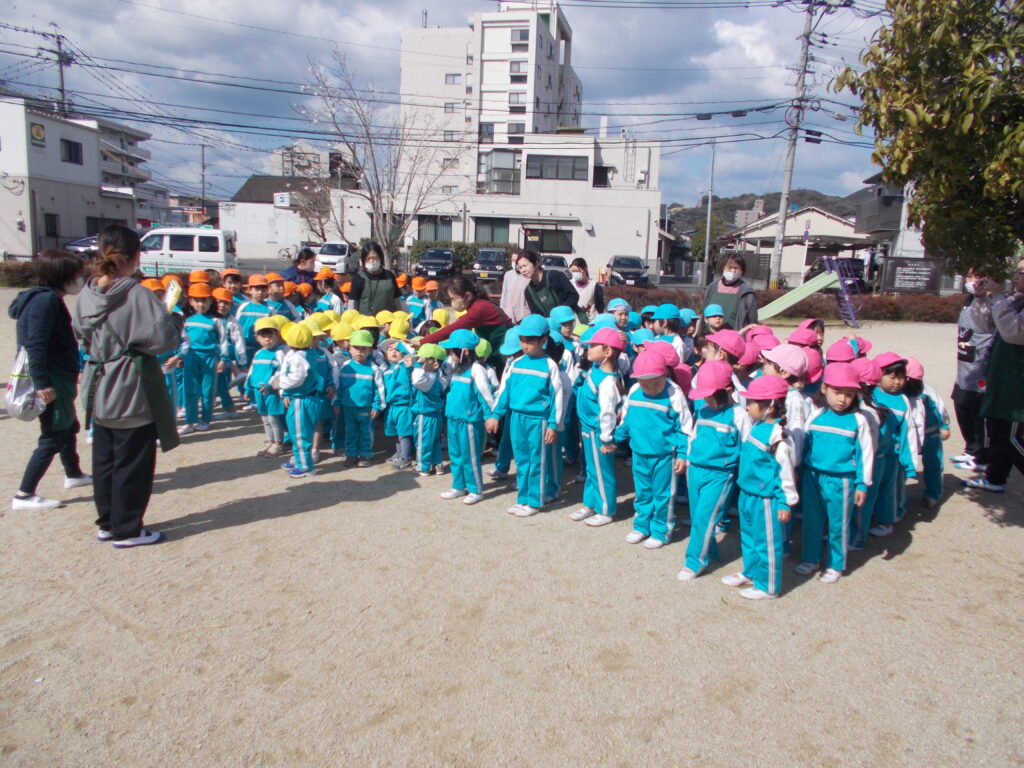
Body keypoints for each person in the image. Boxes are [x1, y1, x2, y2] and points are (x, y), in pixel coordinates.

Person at [74, 224, 182, 547]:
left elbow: (81, 335)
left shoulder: (88, 291)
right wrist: (173, 318)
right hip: (130, 383)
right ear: (136, 256)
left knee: (104, 460)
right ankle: (128, 529)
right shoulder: (137, 294)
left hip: (98, 381)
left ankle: (108, 523)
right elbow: (162, 340)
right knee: (133, 462)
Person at [9, 249, 91, 511]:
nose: (80, 279)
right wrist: (42, 383)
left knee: (68, 426)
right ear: (62, 275)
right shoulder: (45, 301)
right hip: (52, 378)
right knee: (54, 433)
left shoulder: (44, 298)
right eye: (77, 274)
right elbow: (36, 344)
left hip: (59, 376)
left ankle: (73, 473)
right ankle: (24, 494)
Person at [795, 363, 874, 583]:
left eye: (849, 394)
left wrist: (862, 483)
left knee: (838, 524)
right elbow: (804, 445)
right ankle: (810, 558)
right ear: (824, 388)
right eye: (837, 392)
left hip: (842, 480)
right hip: (812, 477)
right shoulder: (815, 416)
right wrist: (797, 469)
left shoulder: (858, 420)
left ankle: (835, 564)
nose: (842, 399)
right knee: (812, 520)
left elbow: (865, 453)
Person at [723, 375, 798, 600]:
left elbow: (785, 472)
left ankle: (768, 586)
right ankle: (751, 572)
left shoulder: (779, 436)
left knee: (767, 543)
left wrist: (785, 501)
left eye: (751, 402)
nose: (747, 407)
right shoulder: (756, 425)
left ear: (770, 406)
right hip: (748, 493)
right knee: (749, 537)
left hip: (766, 498)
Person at [607, 349, 691, 549]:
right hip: (639, 452)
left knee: (663, 495)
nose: (650, 389)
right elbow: (627, 421)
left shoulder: (674, 393)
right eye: (645, 384)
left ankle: (661, 530)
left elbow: (684, 427)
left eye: (655, 383)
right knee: (643, 492)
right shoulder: (635, 391)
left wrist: (683, 454)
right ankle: (641, 526)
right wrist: (616, 439)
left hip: (664, 456)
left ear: (665, 374)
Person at [485, 314, 567, 517]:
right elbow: (505, 392)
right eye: (522, 339)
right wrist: (496, 414)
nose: (525, 344)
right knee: (521, 461)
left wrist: (553, 424)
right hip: (516, 418)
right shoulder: (517, 363)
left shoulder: (550, 366)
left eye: (530, 340)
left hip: (538, 421)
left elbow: (557, 397)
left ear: (544, 339)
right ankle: (523, 499)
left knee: (536, 461)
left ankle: (535, 501)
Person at [678, 361, 746, 580]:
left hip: (720, 475)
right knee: (696, 515)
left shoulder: (739, 415)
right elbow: (694, 436)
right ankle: (710, 550)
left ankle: (694, 561)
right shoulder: (704, 411)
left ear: (728, 390)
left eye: (710, 395)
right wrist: (688, 460)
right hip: (695, 470)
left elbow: (746, 447)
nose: (706, 400)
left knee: (705, 518)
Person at [965, 259, 1024, 493]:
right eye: (1016, 271)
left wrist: (998, 298)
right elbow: (986, 325)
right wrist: (981, 298)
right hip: (1002, 376)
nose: (1016, 275)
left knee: (1010, 436)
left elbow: (1013, 332)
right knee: (998, 430)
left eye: (1021, 272)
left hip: (1018, 382)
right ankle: (995, 477)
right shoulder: (1016, 300)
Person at [571, 327, 625, 526]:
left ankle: (605, 509)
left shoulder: (608, 382)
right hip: (588, 430)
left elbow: (608, 413)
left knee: (602, 472)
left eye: (593, 346)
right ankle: (590, 503)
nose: (588, 349)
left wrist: (607, 438)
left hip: (599, 433)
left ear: (607, 351)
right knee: (592, 469)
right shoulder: (596, 369)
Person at [439, 329, 497, 505]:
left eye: (452, 351)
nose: (450, 354)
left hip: (469, 421)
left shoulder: (476, 369)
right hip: (453, 418)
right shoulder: (456, 368)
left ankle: (475, 489)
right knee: (455, 455)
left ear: (464, 351)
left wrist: (490, 416)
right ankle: (458, 486)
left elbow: (485, 394)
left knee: (470, 457)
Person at [950, 271, 995, 471]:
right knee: (961, 406)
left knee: (978, 414)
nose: (973, 282)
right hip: (964, 368)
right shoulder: (968, 302)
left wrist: (983, 295)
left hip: (980, 369)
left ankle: (982, 456)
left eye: (978, 277)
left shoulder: (989, 305)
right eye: (970, 277)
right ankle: (971, 449)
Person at [417, 276, 509, 366]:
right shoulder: (478, 304)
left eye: (454, 298)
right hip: (496, 348)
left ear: (468, 296)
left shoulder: (479, 309)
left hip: (501, 350)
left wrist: (421, 341)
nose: (452, 302)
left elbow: (453, 328)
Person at [275, 324, 322, 479]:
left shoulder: (298, 357)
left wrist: (280, 384)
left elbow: (297, 378)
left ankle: (305, 466)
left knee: (300, 434)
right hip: (305, 399)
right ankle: (298, 459)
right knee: (296, 432)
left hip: (302, 400)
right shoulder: (308, 353)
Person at [246, 318, 286, 458]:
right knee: (265, 418)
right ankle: (270, 442)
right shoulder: (258, 353)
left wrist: (270, 384)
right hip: (258, 391)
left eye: (271, 336)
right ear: (257, 337)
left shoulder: (279, 353)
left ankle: (278, 445)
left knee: (274, 418)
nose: (267, 339)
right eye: (263, 336)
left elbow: (281, 372)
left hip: (271, 392)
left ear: (277, 336)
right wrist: (247, 387)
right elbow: (252, 371)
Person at [411, 343, 448, 476]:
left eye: (422, 360)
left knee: (423, 442)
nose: (419, 362)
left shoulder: (428, 378)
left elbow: (416, 380)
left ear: (435, 363)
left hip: (425, 416)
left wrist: (417, 366)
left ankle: (424, 467)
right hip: (435, 415)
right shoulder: (438, 376)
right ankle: (437, 464)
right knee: (435, 441)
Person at [515, 250, 581, 318]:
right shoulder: (528, 291)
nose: (523, 270)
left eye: (525, 266)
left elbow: (573, 296)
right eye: (520, 267)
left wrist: (561, 311)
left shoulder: (555, 276)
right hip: (549, 324)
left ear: (536, 263)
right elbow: (537, 315)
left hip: (569, 319)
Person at [703, 253, 758, 331]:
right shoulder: (711, 288)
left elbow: (753, 320)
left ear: (742, 270)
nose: (733, 271)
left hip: (737, 335)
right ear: (723, 268)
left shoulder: (747, 292)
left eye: (736, 268)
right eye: (730, 268)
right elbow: (705, 313)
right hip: (712, 334)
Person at [348, 242, 402, 316]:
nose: (372, 261)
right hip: (366, 321)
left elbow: (397, 301)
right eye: (368, 259)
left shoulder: (389, 276)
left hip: (388, 320)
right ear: (363, 260)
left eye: (374, 258)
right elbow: (352, 304)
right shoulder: (358, 278)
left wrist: (401, 317)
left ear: (380, 258)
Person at [499, 255, 531, 325]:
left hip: (524, 314)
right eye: (513, 260)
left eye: (516, 260)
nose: (514, 262)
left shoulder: (528, 276)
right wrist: (502, 311)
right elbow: (504, 295)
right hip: (509, 314)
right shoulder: (508, 275)